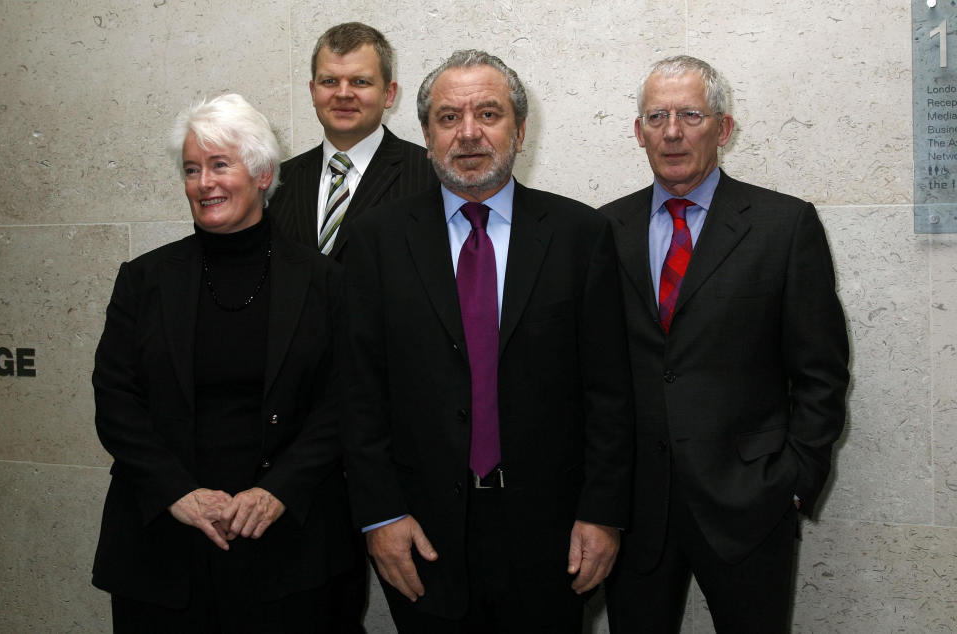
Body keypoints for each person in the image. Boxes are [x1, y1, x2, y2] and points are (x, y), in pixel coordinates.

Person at [342, 49, 634, 633]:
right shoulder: (376, 239)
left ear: (520, 130)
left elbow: (611, 391)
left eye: (489, 114)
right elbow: (356, 391)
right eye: (448, 118)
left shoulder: (581, 236)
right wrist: (380, 516)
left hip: (551, 533)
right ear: (426, 136)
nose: (469, 133)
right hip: (421, 532)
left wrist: (603, 514)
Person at [599, 55, 850, 633]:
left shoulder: (784, 226)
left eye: (691, 114)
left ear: (724, 128)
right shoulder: (604, 229)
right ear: (638, 132)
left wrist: (793, 482)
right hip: (635, 511)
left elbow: (822, 372)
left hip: (750, 505)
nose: (672, 131)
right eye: (656, 116)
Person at [91, 93, 355, 632]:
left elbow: (344, 402)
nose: (204, 183)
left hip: (287, 545)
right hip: (163, 546)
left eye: (219, 165)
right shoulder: (143, 279)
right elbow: (115, 399)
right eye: (192, 169)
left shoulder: (325, 281)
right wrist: (177, 493)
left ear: (261, 174)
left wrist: (277, 489)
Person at [268, 22, 438, 260]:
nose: (343, 93)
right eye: (329, 81)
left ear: (389, 94)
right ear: (313, 92)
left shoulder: (430, 176)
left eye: (360, 82)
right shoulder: (278, 183)